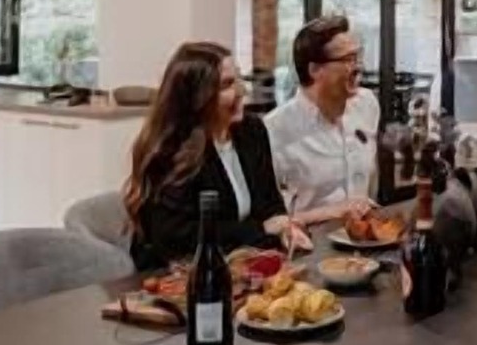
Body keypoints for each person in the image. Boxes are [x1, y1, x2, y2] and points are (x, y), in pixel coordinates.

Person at [124, 41, 310, 272]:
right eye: (227, 85)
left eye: (240, 79)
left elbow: (270, 203)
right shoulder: (170, 150)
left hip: (237, 266)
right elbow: (178, 237)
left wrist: (283, 228)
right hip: (172, 278)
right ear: (197, 97)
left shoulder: (251, 131)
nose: (243, 90)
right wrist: (261, 229)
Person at [265, 15, 380, 225]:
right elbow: (270, 221)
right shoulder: (274, 129)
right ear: (315, 70)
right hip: (309, 248)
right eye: (347, 60)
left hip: (364, 242)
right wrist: (332, 212)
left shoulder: (367, 104)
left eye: (358, 57)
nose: (358, 67)